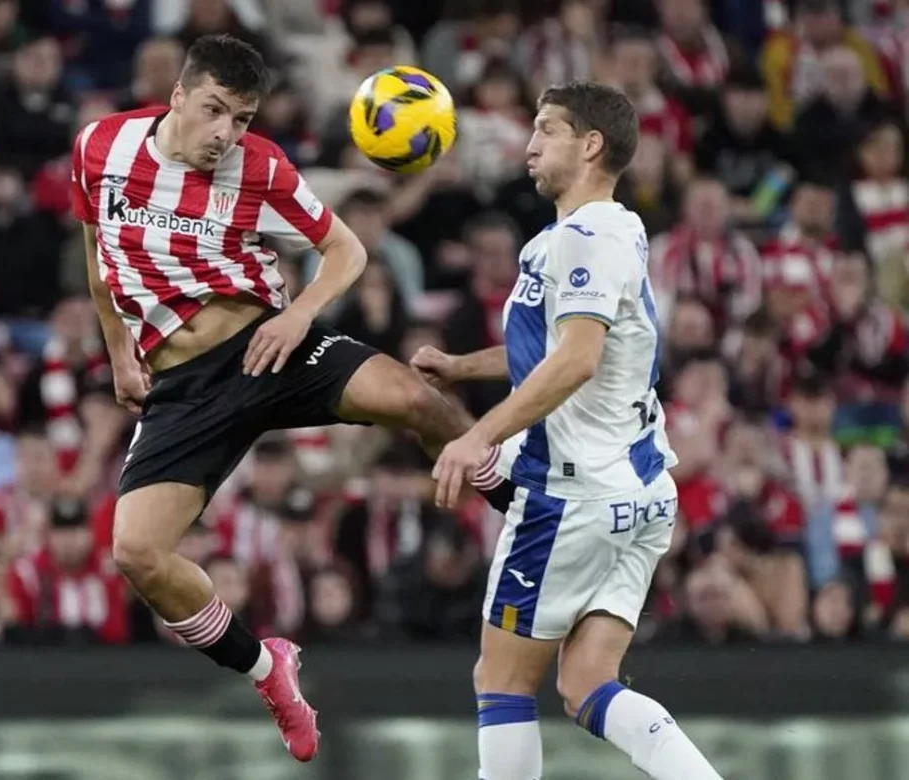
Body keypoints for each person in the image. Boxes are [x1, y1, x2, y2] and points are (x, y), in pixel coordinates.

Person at [72, 34, 512, 763]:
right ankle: (265, 669)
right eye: (215, 110)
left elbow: (348, 251)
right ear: (178, 95)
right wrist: (120, 351)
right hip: (183, 386)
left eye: (241, 118)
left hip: (268, 346)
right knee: (137, 554)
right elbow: (97, 252)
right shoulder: (100, 148)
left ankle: (519, 504)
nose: (226, 133)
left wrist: (298, 312)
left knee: (417, 398)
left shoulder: (260, 167)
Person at [412, 82, 723, 780]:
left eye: (547, 130)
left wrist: (477, 435)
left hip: (573, 499)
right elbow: (566, 349)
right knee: (587, 686)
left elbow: (578, 361)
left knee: (501, 682)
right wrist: (464, 366)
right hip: (641, 492)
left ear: (590, 145)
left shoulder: (585, 239)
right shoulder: (611, 229)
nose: (528, 145)